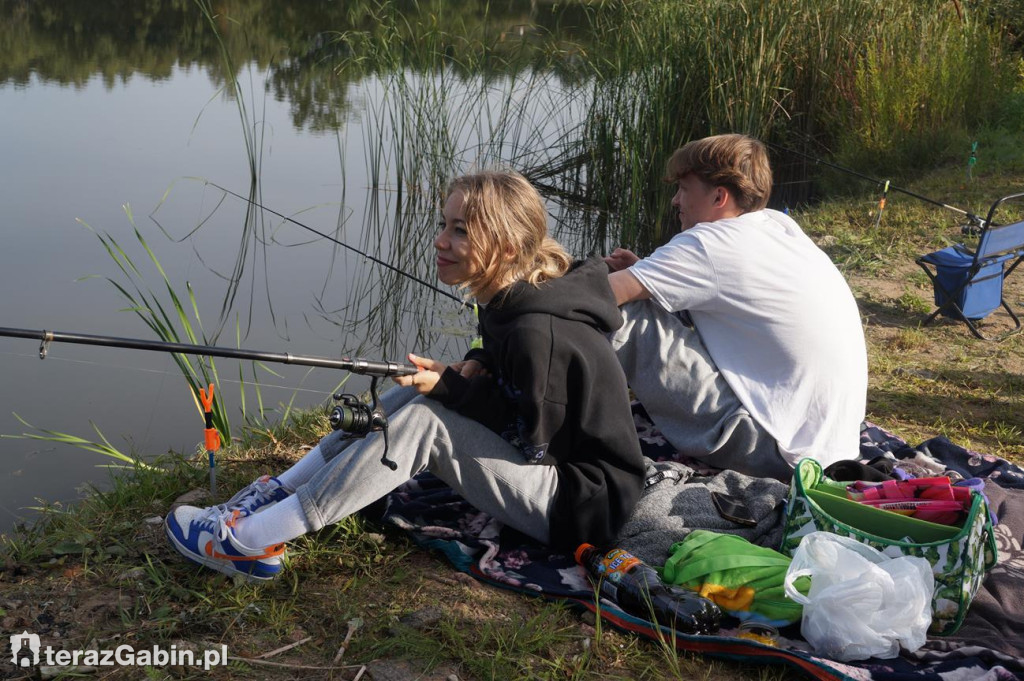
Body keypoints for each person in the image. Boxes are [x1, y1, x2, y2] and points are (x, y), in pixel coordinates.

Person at [165, 171, 646, 581]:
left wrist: (456, 389)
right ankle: (284, 488)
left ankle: (248, 541)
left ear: (504, 246)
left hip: (582, 506)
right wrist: (478, 361)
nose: (440, 241)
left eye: (460, 231)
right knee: (417, 394)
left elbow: (532, 441)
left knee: (425, 422)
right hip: (562, 479)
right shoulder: (514, 297)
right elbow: (511, 364)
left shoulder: (538, 330)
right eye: (445, 225)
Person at [605, 134, 867, 481]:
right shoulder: (778, 226)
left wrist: (526, 289)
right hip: (831, 446)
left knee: (624, 314)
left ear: (719, 196)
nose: (675, 200)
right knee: (639, 300)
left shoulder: (709, 243)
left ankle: (549, 421)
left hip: (775, 452)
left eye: (684, 188)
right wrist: (647, 276)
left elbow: (599, 293)